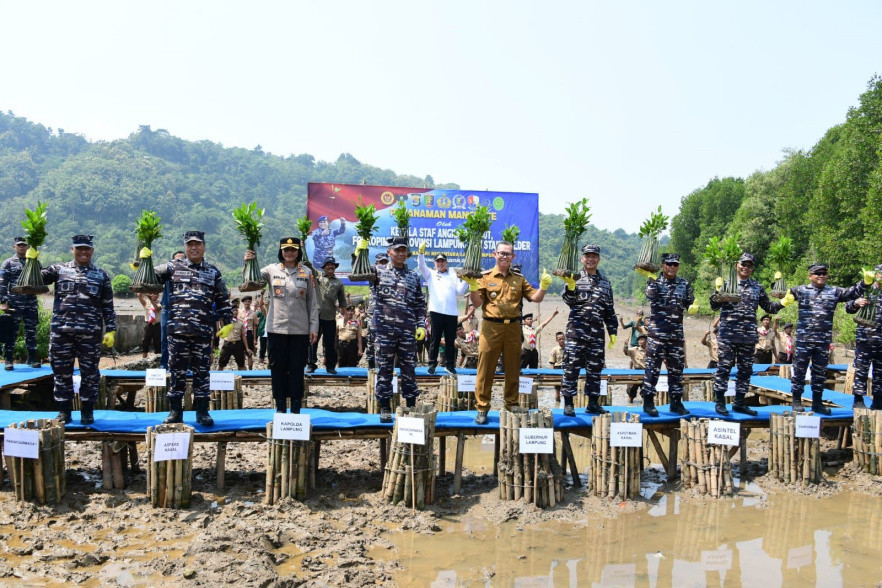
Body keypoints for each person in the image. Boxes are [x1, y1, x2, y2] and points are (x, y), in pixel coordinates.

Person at [464, 241, 552, 425]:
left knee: (513, 368)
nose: (504, 257)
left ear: (513, 257)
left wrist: (543, 287)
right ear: (495, 254)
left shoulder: (518, 279)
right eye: (501, 253)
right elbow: (477, 303)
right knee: (485, 368)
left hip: (513, 327)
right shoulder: (485, 277)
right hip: (491, 326)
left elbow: (535, 298)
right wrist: (473, 288)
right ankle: (482, 407)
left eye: (508, 254)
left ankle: (511, 404)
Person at [156, 231, 233, 425]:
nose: (193, 248)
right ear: (185, 247)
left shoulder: (213, 272)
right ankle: (175, 412)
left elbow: (223, 299)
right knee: (177, 373)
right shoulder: (173, 267)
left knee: (202, 373)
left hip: (202, 332)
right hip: (178, 331)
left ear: (204, 247)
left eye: (197, 244)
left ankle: (202, 412)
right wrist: (144, 259)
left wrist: (228, 321)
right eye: (189, 244)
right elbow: (151, 275)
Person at [40, 235, 116, 424]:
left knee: (90, 373)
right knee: (61, 371)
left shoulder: (101, 275)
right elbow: (37, 279)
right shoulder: (59, 270)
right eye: (79, 248)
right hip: (61, 332)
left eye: (87, 249)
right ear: (72, 249)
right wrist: (32, 260)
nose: (83, 252)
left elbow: (108, 305)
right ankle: (65, 411)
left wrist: (111, 330)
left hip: (89, 333)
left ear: (92, 251)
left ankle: (87, 411)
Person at [784, 263, 869, 414]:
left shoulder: (834, 291)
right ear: (810, 276)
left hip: (823, 340)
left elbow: (852, 293)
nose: (822, 276)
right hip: (804, 339)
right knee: (799, 371)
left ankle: (817, 402)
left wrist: (865, 282)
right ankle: (796, 401)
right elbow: (779, 293)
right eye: (818, 273)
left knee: (820, 373)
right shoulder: (801, 290)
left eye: (824, 273)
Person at [245, 237, 318, 413]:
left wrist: (314, 327)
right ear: (281, 251)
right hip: (276, 329)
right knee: (277, 368)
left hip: (299, 330)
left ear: (298, 251)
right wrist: (248, 262)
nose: (289, 253)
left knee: (296, 369)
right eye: (286, 250)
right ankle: (279, 407)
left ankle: (295, 407)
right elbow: (251, 282)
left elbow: (312, 302)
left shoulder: (307, 272)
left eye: (293, 249)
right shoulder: (271, 270)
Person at [360, 236, 426, 422]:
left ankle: (411, 405)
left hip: (407, 330)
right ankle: (384, 406)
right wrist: (359, 253)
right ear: (389, 251)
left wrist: (421, 324)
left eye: (404, 250)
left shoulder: (413, 276)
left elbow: (420, 304)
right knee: (384, 368)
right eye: (397, 250)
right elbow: (360, 272)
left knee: (409, 368)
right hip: (384, 329)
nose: (401, 253)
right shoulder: (378, 272)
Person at [709, 253, 783, 416]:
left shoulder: (757, 286)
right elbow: (714, 306)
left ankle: (740, 402)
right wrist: (717, 292)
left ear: (752, 268)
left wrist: (782, 303)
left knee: (745, 369)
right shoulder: (728, 284)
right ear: (737, 265)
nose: (746, 267)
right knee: (724, 367)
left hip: (748, 335)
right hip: (728, 334)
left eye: (749, 265)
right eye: (743, 264)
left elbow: (768, 307)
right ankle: (720, 402)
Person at [559, 244, 618, 416]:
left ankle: (593, 403)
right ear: (582, 258)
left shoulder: (605, 283)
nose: (590, 259)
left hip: (597, 335)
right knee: (571, 368)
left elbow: (609, 310)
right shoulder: (574, 277)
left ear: (598, 259)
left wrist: (612, 331)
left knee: (595, 370)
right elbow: (568, 300)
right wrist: (570, 286)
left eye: (594, 256)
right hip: (576, 333)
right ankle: (568, 404)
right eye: (587, 256)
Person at [641, 253, 698, 417]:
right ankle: (648, 402)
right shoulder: (655, 282)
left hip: (676, 335)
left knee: (676, 370)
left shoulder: (684, 284)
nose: (672, 267)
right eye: (669, 264)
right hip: (657, 334)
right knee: (652, 369)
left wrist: (694, 304)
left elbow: (690, 301)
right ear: (663, 265)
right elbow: (650, 295)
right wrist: (651, 279)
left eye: (675, 264)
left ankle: (676, 403)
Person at [418, 245, 469, 375]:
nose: (440, 263)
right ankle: (432, 365)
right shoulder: (431, 274)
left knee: (450, 340)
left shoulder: (453, 273)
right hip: (436, 312)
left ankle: (450, 365)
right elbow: (421, 266)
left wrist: (467, 281)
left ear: (446, 262)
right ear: (434, 263)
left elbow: (460, 290)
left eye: (442, 261)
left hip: (451, 313)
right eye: (438, 261)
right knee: (435, 339)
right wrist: (421, 253)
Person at [0, 236, 41, 368]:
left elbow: (42, 278)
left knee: (31, 330)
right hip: (14, 303)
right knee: (11, 331)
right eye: (19, 245)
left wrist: (35, 260)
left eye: (24, 245)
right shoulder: (8, 263)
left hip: (30, 302)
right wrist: (3, 301)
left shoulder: (34, 262)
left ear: (28, 247)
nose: (22, 247)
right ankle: (8, 359)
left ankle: (32, 358)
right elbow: (2, 283)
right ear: (14, 247)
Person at [845, 264, 882, 408]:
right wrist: (856, 303)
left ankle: (878, 400)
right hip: (866, 338)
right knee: (861, 369)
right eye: (879, 273)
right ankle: (858, 398)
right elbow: (848, 307)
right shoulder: (865, 289)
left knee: (880, 371)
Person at [307, 257, 347, 374]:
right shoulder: (318, 277)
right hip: (316, 316)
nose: (330, 266)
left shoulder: (338, 282)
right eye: (328, 265)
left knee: (330, 343)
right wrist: (303, 246)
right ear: (324, 267)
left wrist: (344, 313)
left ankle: (330, 366)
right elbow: (309, 266)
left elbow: (342, 300)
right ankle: (311, 364)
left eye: (333, 265)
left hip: (330, 317)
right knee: (312, 341)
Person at [159, 251, 186, 369]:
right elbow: (155, 275)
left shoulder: (189, 274)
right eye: (177, 260)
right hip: (167, 308)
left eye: (182, 260)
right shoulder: (167, 273)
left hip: (182, 309)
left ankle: (185, 366)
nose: (179, 262)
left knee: (184, 338)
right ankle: (164, 365)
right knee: (165, 338)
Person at [363, 252, 389, 369]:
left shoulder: (391, 272)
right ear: (376, 263)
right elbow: (361, 269)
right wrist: (357, 256)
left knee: (386, 341)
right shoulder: (373, 271)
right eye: (381, 262)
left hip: (387, 312)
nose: (383, 265)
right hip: (374, 311)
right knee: (371, 339)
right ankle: (371, 365)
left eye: (385, 262)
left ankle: (385, 366)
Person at [138, 292, 162, 358]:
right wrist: (142, 290)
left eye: (156, 294)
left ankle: (158, 360)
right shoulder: (146, 303)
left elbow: (157, 309)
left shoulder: (160, 303)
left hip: (157, 326)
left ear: (158, 295)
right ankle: (144, 360)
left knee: (158, 344)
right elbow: (139, 296)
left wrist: (150, 299)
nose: (154, 295)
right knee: (145, 343)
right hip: (148, 325)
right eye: (153, 293)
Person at [626, 334, 648, 402]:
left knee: (646, 392)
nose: (640, 341)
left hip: (646, 372)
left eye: (642, 340)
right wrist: (625, 345)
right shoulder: (634, 349)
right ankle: (630, 404)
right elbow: (626, 352)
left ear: (646, 341)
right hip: (636, 372)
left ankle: (645, 405)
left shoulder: (649, 350)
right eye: (639, 340)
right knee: (631, 390)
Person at [256, 294, 268, 365]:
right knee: (262, 347)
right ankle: (261, 360)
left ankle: (270, 361)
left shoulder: (273, 311)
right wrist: (262, 295)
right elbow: (260, 306)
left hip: (271, 332)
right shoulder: (263, 311)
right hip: (264, 332)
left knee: (270, 348)